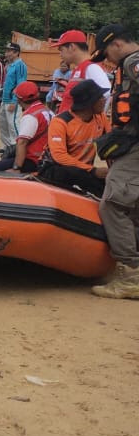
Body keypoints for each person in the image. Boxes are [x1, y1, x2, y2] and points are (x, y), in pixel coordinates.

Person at [89, 24, 139, 298]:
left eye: (106, 53)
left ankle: (132, 275)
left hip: (135, 146)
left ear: (117, 44)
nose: (107, 60)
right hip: (129, 144)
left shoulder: (133, 63)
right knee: (133, 206)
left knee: (113, 204)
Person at [37, 79, 109, 198]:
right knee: (77, 175)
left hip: (83, 169)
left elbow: (111, 143)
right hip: (54, 168)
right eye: (100, 97)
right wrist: (92, 170)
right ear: (89, 103)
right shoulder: (60, 122)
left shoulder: (100, 117)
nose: (104, 99)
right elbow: (60, 157)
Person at [0, 81, 53, 173]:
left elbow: (22, 143)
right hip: (47, 158)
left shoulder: (31, 116)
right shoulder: (48, 111)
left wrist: (16, 168)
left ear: (19, 99)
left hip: (34, 160)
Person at [52, 29, 112, 114]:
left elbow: (106, 93)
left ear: (72, 47)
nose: (60, 54)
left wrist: (88, 117)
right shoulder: (80, 68)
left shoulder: (91, 67)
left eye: (61, 50)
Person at [0, 43, 28, 152]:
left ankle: (16, 147)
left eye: (9, 51)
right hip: (5, 99)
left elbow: (20, 84)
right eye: (6, 51)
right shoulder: (10, 65)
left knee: (13, 124)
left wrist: (15, 101)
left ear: (16, 53)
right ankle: (7, 147)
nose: (6, 53)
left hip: (12, 100)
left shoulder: (20, 65)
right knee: (3, 124)